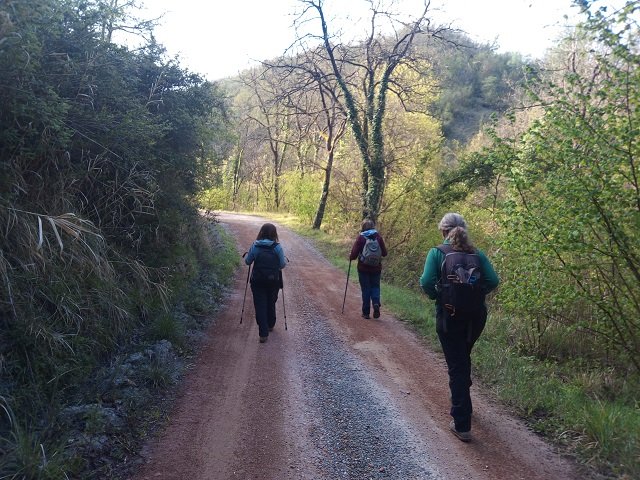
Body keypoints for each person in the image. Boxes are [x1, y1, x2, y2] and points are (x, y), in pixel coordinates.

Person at [419, 213, 499, 442]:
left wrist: (439, 296)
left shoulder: (437, 253)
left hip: (449, 316)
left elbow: (426, 282)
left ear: (443, 231)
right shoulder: (477, 254)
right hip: (476, 317)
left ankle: (462, 423)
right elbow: (493, 281)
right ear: (464, 230)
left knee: (457, 366)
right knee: (462, 357)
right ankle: (465, 400)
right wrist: (474, 296)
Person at [244, 223, 287, 343]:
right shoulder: (277, 247)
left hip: (257, 280)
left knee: (260, 304)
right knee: (271, 301)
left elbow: (248, 262)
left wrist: (248, 256)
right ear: (274, 233)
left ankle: (263, 334)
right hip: (273, 280)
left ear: (261, 232)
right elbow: (282, 264)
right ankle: (270, 324)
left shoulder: (255, 246)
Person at [349, 218, 388, 319]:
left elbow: (353, 255)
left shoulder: (361, 238)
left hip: (363, 268)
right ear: (373, 227)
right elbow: (384, 253)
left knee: (366, 289)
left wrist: (351, 257)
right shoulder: (378, 237)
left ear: (362, 227)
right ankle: (375, 302)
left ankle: (366, 313)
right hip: (376, 268)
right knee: (375, 287)